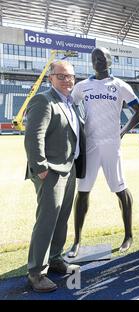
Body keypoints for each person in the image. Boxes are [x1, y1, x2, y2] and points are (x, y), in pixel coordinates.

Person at [68, 47, 139, 257]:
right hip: (89, 145)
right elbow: (70, 105)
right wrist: (80, 123)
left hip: (111, 145)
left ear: (110, 61)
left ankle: (128, 235)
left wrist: (123, 131)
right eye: (94, 59)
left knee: (120, 188)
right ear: (91, 62)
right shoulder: (82, 86)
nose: (98, 61)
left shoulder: (120, 85)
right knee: (83, 191)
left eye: (102, 58)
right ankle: (77, 241)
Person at [24, 60, 85, 292]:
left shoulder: (71, 103)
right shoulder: (43, 100)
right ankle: (36, 272)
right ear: (50, 78)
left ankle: (56, 257)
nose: (68, 80)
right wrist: (40, 167)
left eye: (70, 76)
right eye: (62, 76)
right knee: (47, 220)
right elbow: (33, 136)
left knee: (61, 218)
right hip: (49, 171)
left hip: (68, 169)